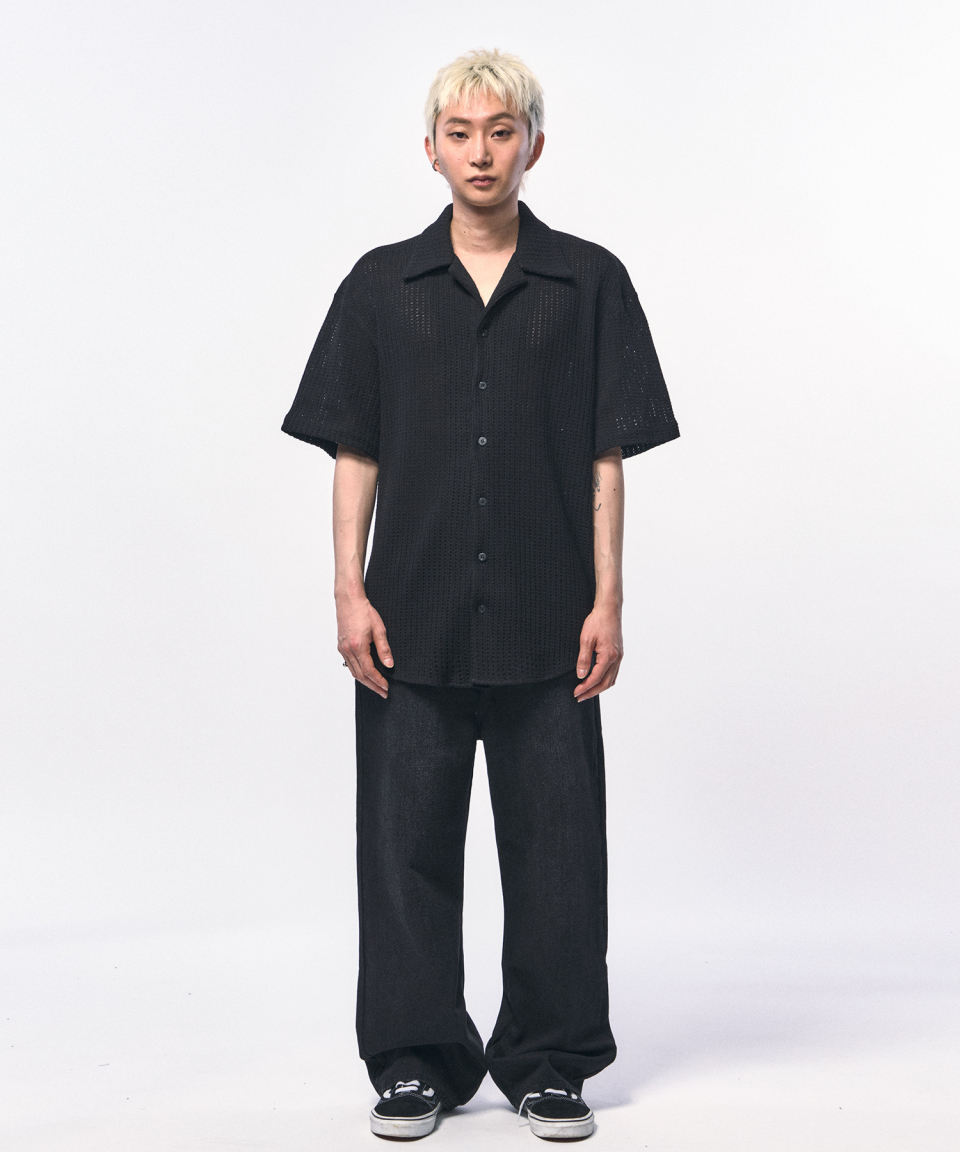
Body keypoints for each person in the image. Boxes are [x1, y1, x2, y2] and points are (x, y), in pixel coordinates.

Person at [282, 48, 679, 1141]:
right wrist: (347, 591)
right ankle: (416, 1063)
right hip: (409, 620)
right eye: (460, 133)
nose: (482, 152)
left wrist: (609, 600)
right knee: (403, 849)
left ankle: (549, 1062)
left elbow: (606, 456)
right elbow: (354, 451)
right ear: (430, 150)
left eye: (501, 131)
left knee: (559, 852)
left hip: (553, 620)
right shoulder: (380, 287)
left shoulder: (589, 282)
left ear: (533, 144)